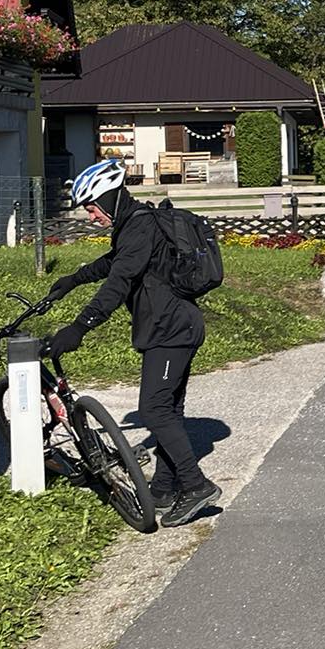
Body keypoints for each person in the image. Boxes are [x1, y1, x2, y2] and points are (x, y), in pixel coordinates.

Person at [45, 160, 218, 527]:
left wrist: (79, 327)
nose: (91, 217)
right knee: (167, 410)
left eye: (91, 208)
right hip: (171, 328)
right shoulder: (133, 225)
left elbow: (119, 282)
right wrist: (74, 279)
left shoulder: (138, 226)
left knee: (155, 410)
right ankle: (166, 488)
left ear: (107, 198)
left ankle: (197, 485)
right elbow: (115, 262)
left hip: (171, 331)